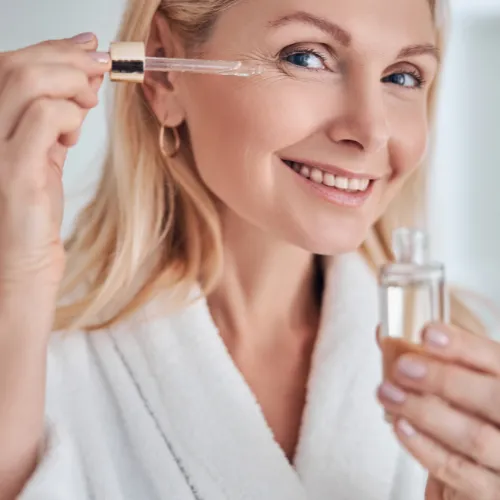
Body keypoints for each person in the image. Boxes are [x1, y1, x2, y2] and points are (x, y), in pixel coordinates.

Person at [1, 0, 500, 498]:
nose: (371, 131)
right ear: (162, 71)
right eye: (307, 57)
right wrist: (16, 280)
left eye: (404, 76)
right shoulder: (35, 358)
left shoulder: (472, 381)